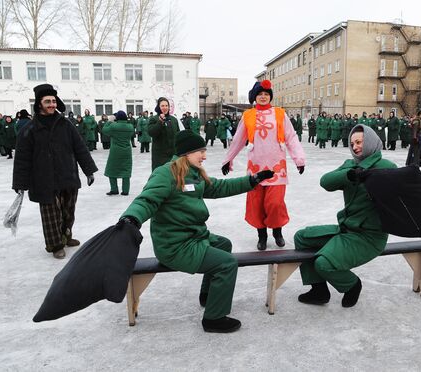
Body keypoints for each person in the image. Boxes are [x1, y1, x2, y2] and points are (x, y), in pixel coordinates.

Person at [120, 130, 274, 333]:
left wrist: (251, 181)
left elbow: (218, 187)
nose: (205, 155)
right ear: (186, 153)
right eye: (200, 151)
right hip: (175, 245)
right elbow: (147, 200)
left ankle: (208, 296)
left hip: (193, 237)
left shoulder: (194, 174)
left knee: (224, 244)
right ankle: (214, 318)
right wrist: (132, 218)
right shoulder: (166, 173)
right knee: (227, 264)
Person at [294, 124, 396, 308]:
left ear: (371, 142)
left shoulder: (386, 167)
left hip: (368, 237)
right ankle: (319, 290)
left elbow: (399, 198)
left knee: (323, 263)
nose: (355, 147)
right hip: (346, 230)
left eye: (359, 142)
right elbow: (325, 181)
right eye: (352, 143)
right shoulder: (350, 165)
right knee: (302, 237)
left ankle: (352, 285)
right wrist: (349, 175)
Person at [12, 84, 97, 259]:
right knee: (51, 215)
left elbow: (79, 147)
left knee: (68, 212)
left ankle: (66, 237)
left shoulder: (66, 124)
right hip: (44, 180)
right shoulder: (29, 129)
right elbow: (22, 159)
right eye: (47, 101)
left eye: (53, 101)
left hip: (68, 175)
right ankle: (55, 245)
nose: (51, 104)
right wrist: (20, 184)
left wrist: (88, 170)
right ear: (39, 104)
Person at [221, 80, 306, 250]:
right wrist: (227, 159)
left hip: (277, 168)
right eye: (260, 94)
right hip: (255, 167)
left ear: (270, 96)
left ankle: (277, 231)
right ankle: (262, 236)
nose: (263, 97)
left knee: (275, 204)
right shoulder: (248, 116)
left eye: (266, 94)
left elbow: (291, 137)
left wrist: (299, 158)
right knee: (256, 204)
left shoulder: (280, 114)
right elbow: (238, 140)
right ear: (254, 97)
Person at [102, 111, 134, 196]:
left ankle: (114, 189)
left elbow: (104, 130)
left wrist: (109, 121)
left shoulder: (113, 126)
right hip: (127, 151)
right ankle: (125, 191)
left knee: (111, 169)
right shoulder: (130, 127)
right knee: (126, 170)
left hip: (115, 151)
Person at [148, 97, 181, 171]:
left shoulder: (174, 120)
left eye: (166, 106)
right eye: (162, 106)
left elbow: (178, 136)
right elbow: (151, 132)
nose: (165, 107)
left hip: (173, 155)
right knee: (160, 177)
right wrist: (160, 122)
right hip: (160, 156)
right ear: (158, 107)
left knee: (173, 177)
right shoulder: (154, 119)